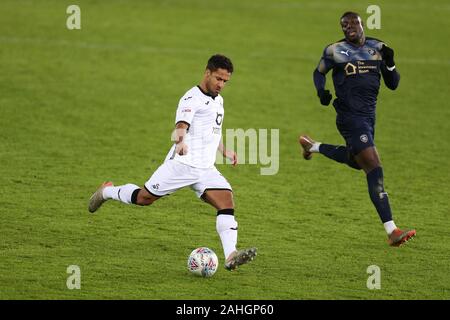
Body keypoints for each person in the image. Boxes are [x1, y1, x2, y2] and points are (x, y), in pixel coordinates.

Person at [88, 54, 257, 269]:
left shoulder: (218, 100)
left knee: (226, 203)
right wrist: (179, 143)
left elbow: (212, 130)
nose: (221, 85)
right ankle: (107, 192)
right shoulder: (191, 98)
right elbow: (181, 126)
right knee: (144, 198)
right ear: (207, 73)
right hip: (182, 164)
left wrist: (224, 150)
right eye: (218, 79)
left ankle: (231, 254)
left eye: (225, 81)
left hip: (205, 168)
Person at [299, 12, 416, 246]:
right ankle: (392, 230)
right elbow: (318, 72)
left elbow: (393, 85)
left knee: (356, 160)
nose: (348, 27)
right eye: (344, 25)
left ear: (362, 24)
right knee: (373, 165)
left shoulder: (378, 47)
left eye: (353, 23)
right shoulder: (334, 51)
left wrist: (391, 64)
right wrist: (321, 92)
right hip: (349, 117)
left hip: (368, 118)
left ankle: (314, 146)